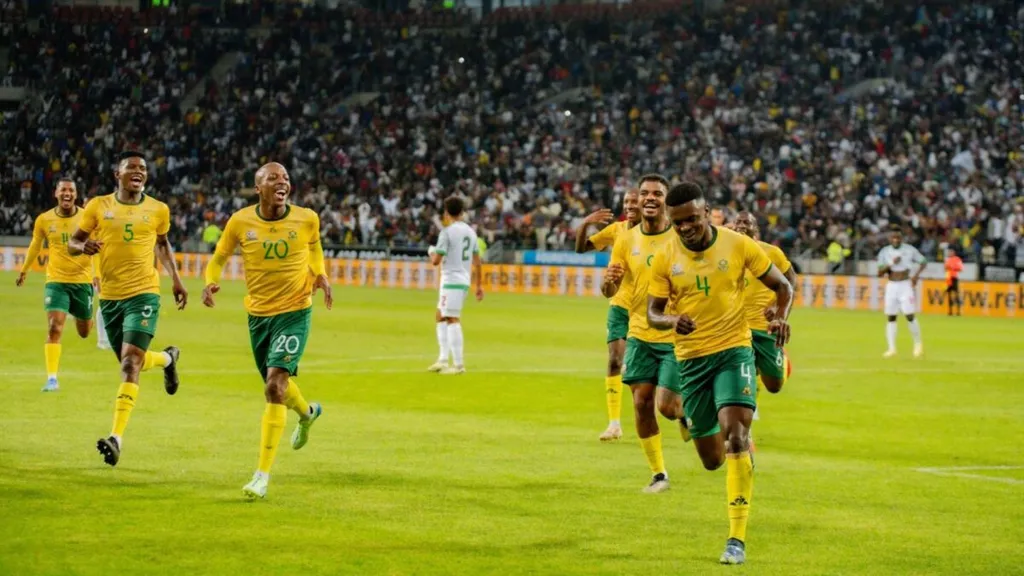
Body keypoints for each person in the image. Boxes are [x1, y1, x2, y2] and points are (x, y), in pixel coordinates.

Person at [647, 182, 793, 565]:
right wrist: (671, 320)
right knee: (712, 459)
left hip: (734, 350)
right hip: (692, 360)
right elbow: (652, 312)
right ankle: (698, 424)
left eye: (692, 219)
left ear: (707, 212)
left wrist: (781, 316)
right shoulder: (665, 257)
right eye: (678, 222)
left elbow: (783, 286)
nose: (685, 228)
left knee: (737, 435)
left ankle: (736, 540)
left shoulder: (738, 244)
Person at [202, 162, 331, 500]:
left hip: (295, 311)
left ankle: (261, 476)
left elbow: (315, 247)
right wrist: (210, 281)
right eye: (273, 178)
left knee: (274, 386)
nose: (282, 182)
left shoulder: (307, 218)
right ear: (258, 187)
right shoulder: (240, 221)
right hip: (259, 316)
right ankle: (308, 414)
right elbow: (218, 258)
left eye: (285, 177)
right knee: (278, 386)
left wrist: (320, 273)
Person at [67, 151, 187, 467]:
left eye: (142, 168)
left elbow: (162, 244)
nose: (138, 171)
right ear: (116, 175)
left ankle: (116, 438)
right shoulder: (98, 207)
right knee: (130, 361)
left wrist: (176, 279)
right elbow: (73, 242)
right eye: (131, 167)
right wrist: (83, 246)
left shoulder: (158, 209)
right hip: (110, 298)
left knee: (130, 362)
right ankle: (167, 359)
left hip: (144, 294)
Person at [601, 174, 679, 493]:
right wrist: (609, 281)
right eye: (645, 192)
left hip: (675, 335)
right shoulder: (626, 239)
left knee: (667, 407)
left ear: (666, 200)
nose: (649, 198)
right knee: (642, 404)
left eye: (657, 193)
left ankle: (694, 414)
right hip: (639, 334)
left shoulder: (679, 237)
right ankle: (659, 474)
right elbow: (610, 290)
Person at [15, 178, 99, 391]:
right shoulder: (44, 220)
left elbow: (97, 248)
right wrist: (24, 269)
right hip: (56, 281)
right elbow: (35, 245)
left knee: (84, 331)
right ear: (56, 193)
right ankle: (52, 379)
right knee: (54, 327)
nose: (67, 193)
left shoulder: (87, 218)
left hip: (82, 281)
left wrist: (97, 274)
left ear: (76, 195)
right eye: (63, 190)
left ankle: (81, 314)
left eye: (71, 190)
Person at [574, 189, 641, 441]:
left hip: (646, 309)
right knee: (614, 360)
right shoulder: (616, 230)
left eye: (634, 201)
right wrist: (585, 224)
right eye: (626, 201)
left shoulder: (657, 233)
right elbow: (581, 248)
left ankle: (679, 414)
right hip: (619, 304)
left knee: (645, 371)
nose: (629, 205)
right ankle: (614, 424)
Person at [732, 212, 797, 394]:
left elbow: (791, 280)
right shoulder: (725, 253)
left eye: (747, 222)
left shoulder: (771, 253)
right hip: (736, 329)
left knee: (774, 386)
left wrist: (777, 306)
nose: (741, 225)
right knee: (739, 383)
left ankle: (780, 360)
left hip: (764, 327)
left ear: (756, 228)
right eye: (738, 222)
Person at [427, 196, 484, 375]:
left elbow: (436, 261)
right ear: (462, 212)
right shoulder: (471, 232)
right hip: (462, 280)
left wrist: (431, 251)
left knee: (452, 318)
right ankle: (443, 359)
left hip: (452, 280)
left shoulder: (447, 233)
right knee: (440, 315)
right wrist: (479, 286)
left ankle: (459, 365)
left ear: (446, 213)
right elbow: (478, 261)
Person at [876, 228, 926, 358]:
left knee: (909, 315)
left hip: (905, 285)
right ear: (889, 239)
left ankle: (918, 344)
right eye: (893, 237)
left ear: (901, 238)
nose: (895, 240)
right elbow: (880, 273)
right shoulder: (885, 252)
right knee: (891, 317)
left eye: (898, 237)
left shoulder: (909, 250)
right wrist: (891, 263)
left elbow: (923, 261)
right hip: (891, 285)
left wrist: (916, 276)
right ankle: (891, 348)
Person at [944, 248, 963, 316]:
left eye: (951, 252)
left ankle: (958, 311)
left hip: (954, 278)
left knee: (956, 294)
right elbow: (945, 268)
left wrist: (952, 267)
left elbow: (960, 268)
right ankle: (950, 311)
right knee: (949, 295)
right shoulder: (947, 260)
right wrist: (947, 267)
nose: (949, 253)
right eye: (949, 252)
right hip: (948, 278)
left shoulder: (957, 259)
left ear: (954, 253)